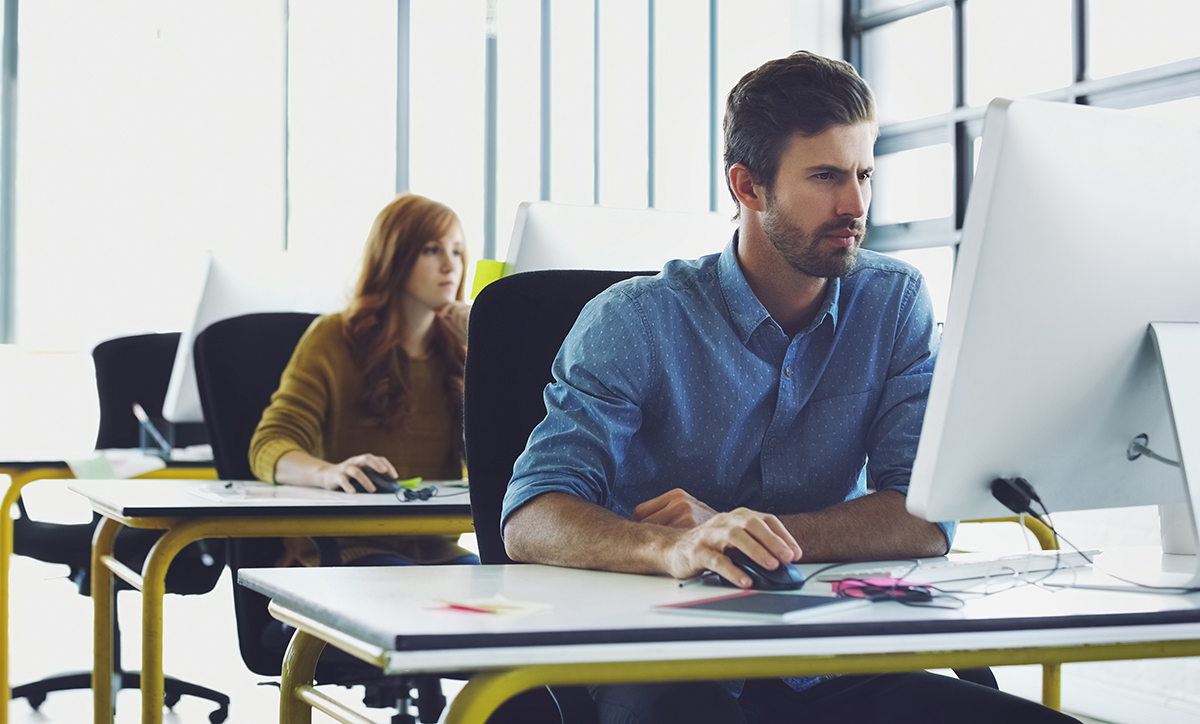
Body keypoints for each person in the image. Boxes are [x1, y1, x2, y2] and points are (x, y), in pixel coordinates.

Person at [500, 51, 1077, 723]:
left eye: (864, 173)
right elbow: (530, 516)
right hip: (664, 658)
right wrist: (677, 546)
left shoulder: (892, 303)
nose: (856, 204)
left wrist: (743, 535)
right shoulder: (634, 321)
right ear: (748, 187)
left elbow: (922, 519)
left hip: (825, 656)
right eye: (827, 176)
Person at [249, 192, 477, 568]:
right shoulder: (333, 338)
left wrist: (488, 345)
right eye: (432, 250)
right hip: (342, 551)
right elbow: (269, 445)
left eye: (457, 251)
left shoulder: (459, 352)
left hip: (431, 550)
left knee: (495, 591)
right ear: (394, 258)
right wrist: (328, 473)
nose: (450, 266)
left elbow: (496, 456)